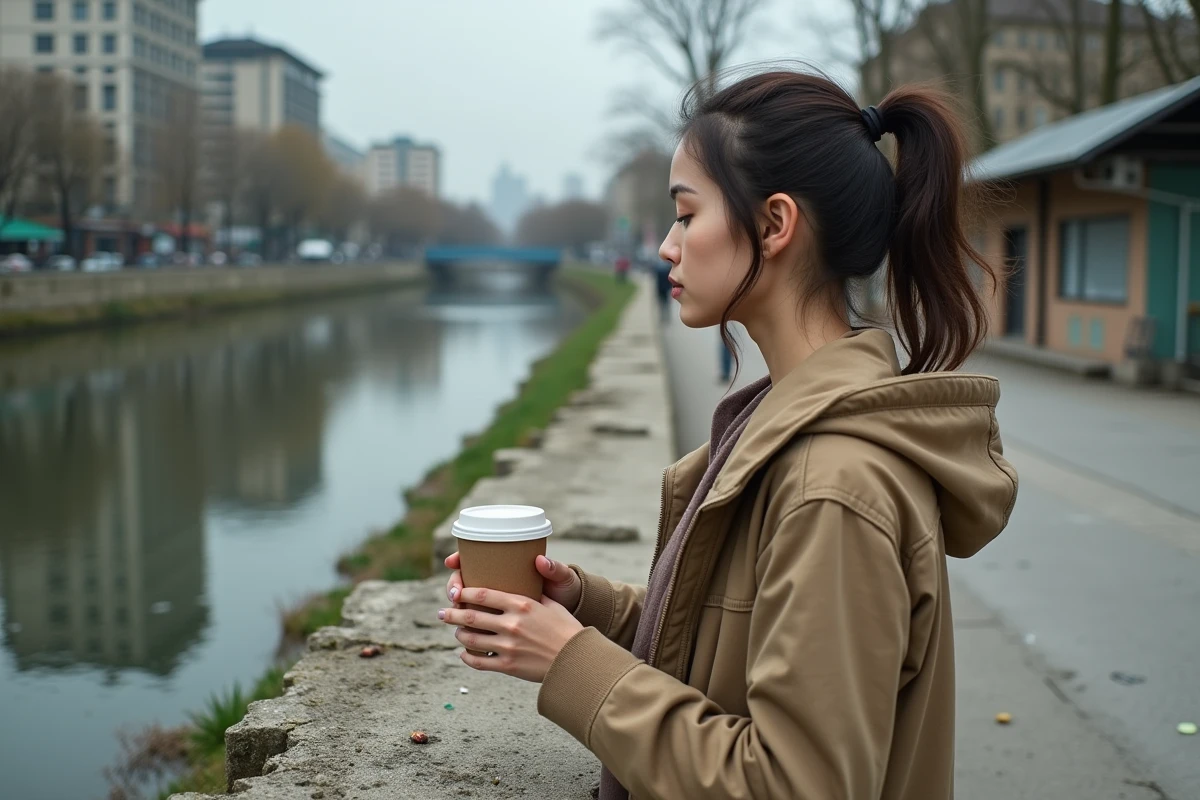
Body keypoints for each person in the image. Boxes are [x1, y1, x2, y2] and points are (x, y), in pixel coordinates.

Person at [438, 69, 1018, 800]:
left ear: (775, 225)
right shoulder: (778, 422)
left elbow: (797, 783)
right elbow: (727, 647)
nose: (667, 249)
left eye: (687, 214)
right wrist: (581, 606)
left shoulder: (831, 485)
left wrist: (571, 662)